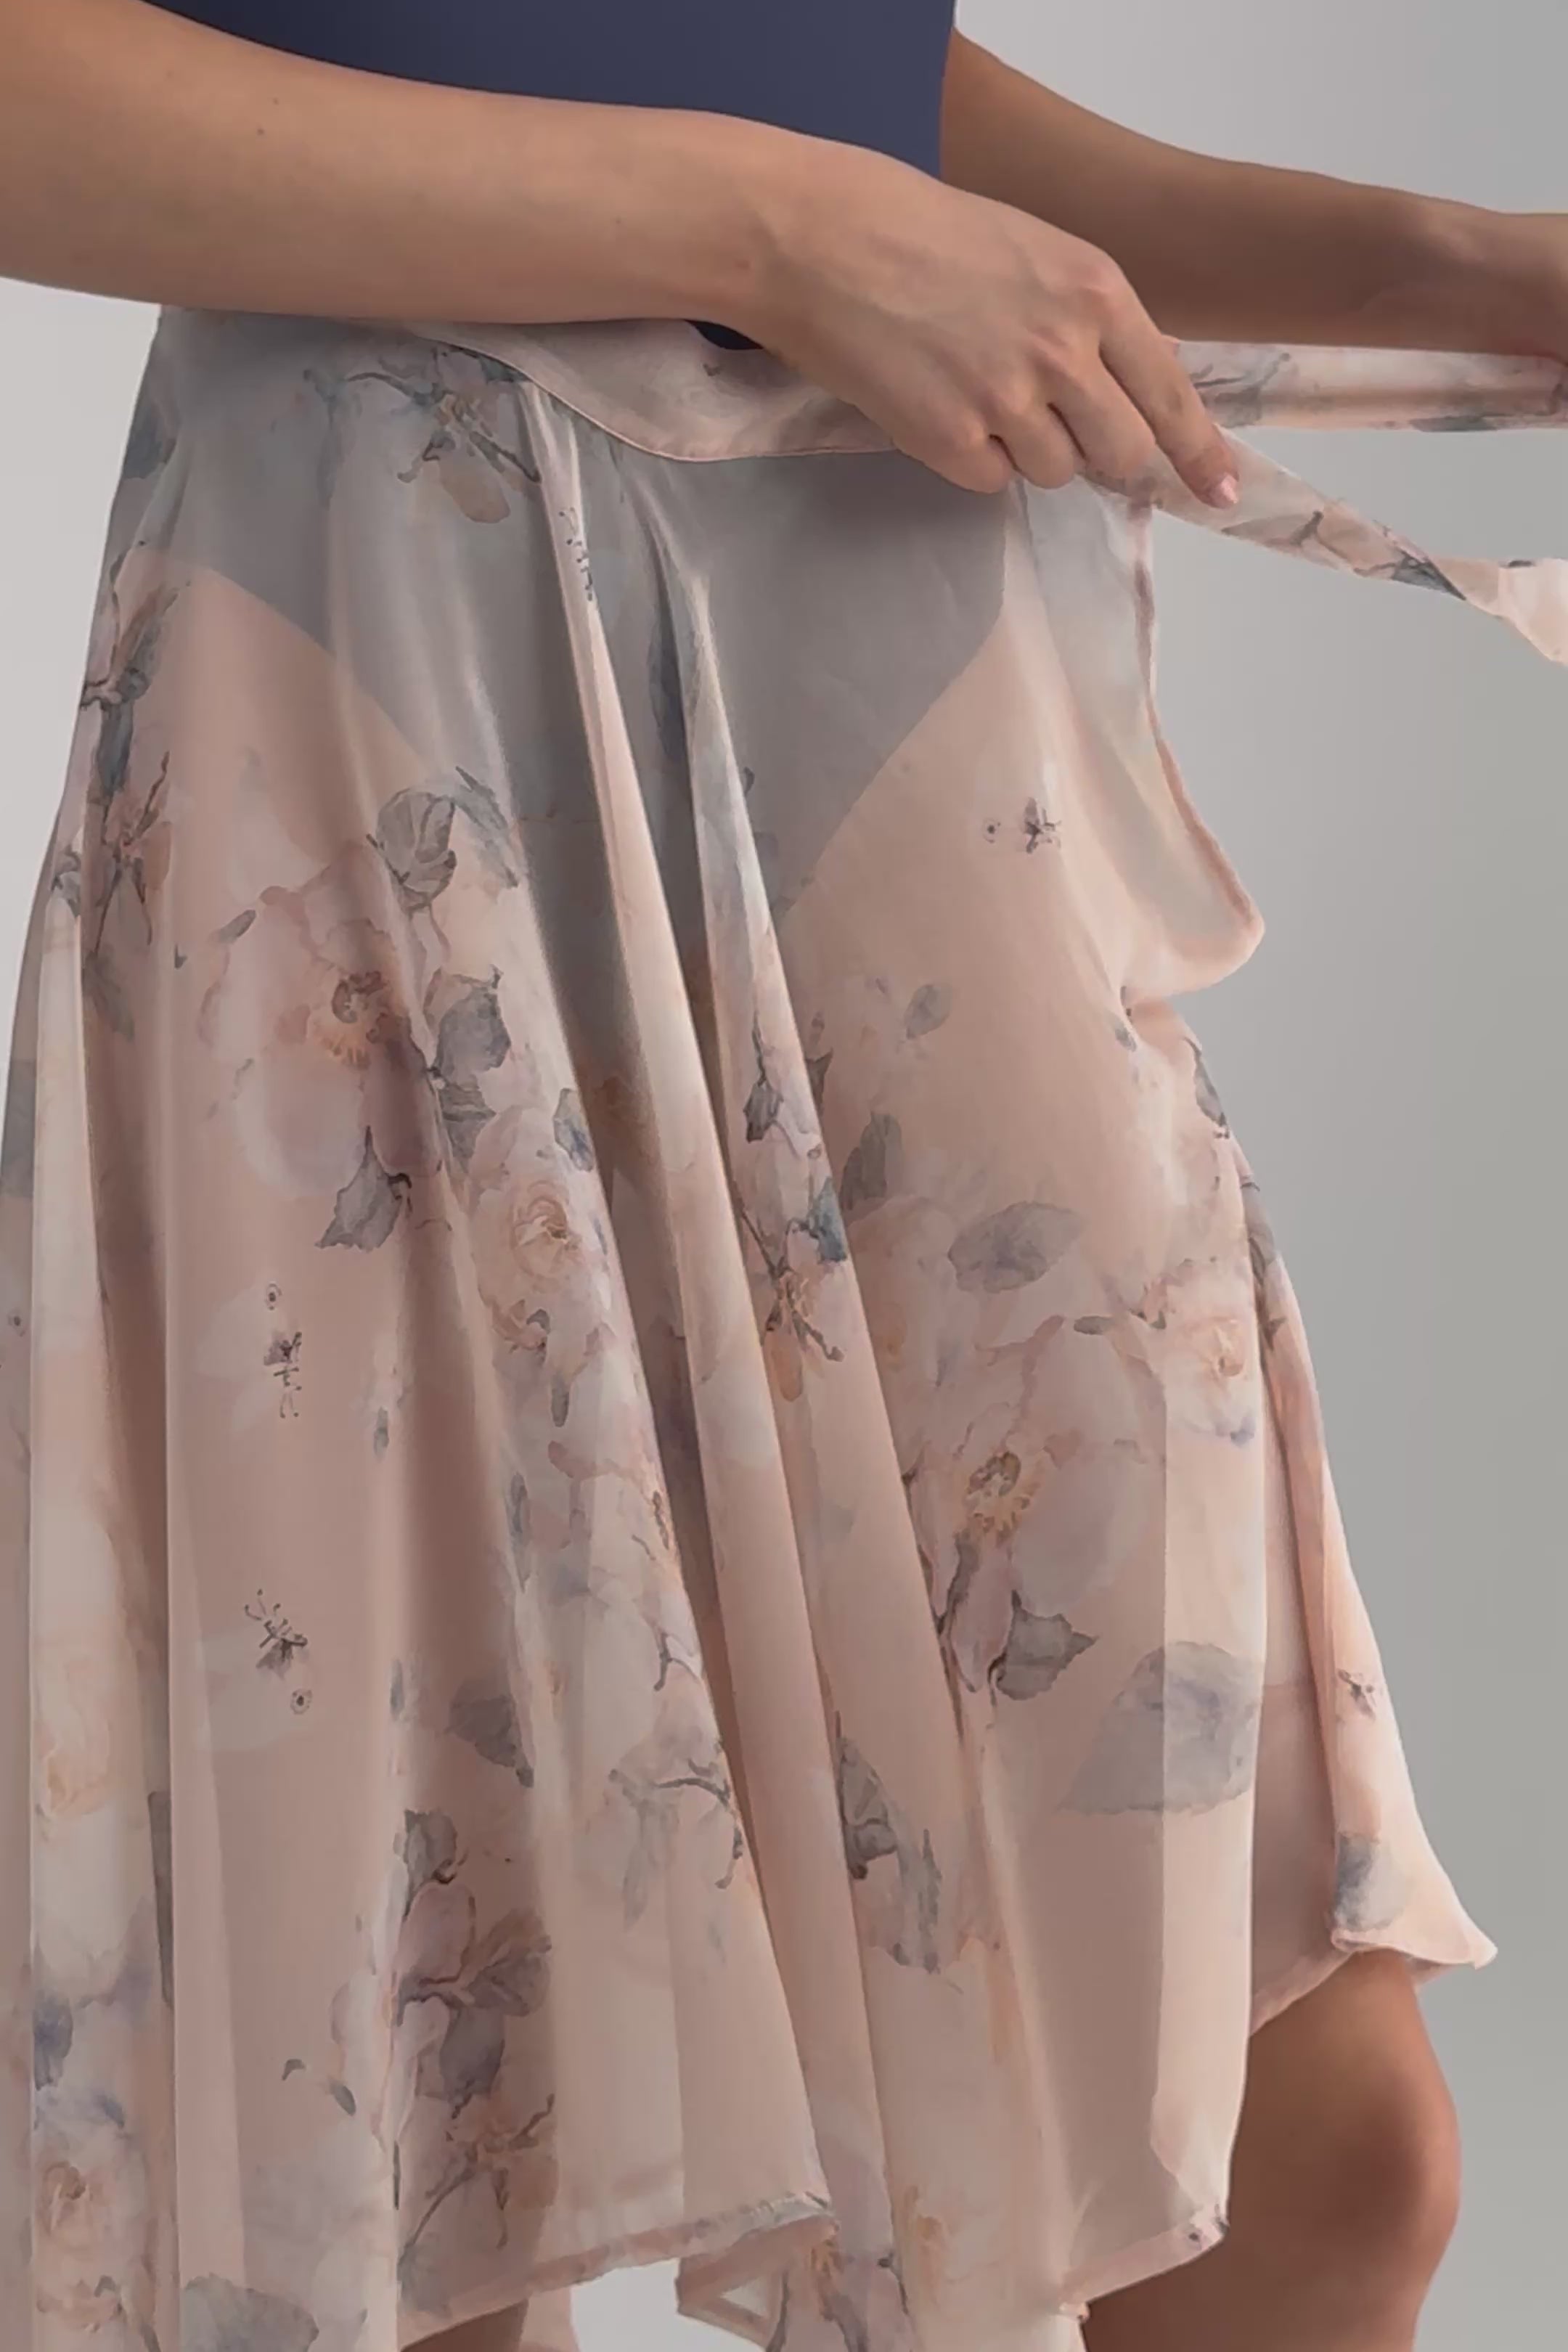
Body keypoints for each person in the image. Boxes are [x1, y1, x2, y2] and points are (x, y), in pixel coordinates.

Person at [0, 8, 1561, 2352]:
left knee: (1317, 2160)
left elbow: (795, 42)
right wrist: (767, 228)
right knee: (404, 2188)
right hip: (389, 629)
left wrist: (1457, 264)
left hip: (886, 603)